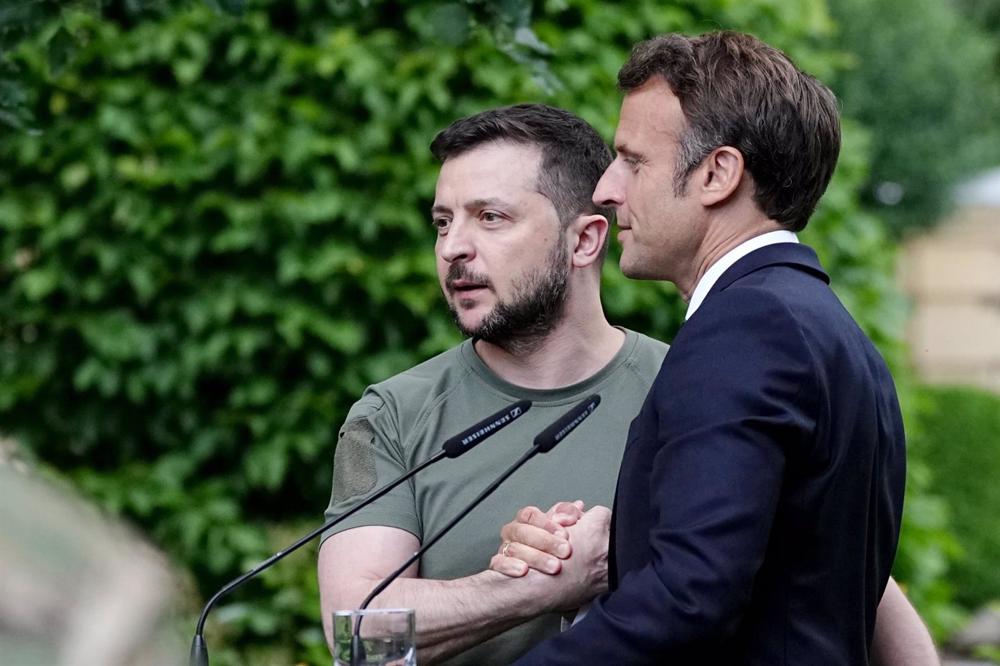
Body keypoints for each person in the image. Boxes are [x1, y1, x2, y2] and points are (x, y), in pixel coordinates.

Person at [317, 104, 934, 665]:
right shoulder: (392, 414)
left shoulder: (703, 385)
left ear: (585, 238)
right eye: (442, 222)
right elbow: (354, 634)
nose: (452, 248)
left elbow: (852, 588)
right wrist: (532, 588)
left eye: (490, 218)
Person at [495, 31, 910, 665]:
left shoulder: (746, 327)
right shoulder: (826, 327)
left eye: (633, 161)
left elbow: (691, 596)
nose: (606, 187)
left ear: (717, 173)